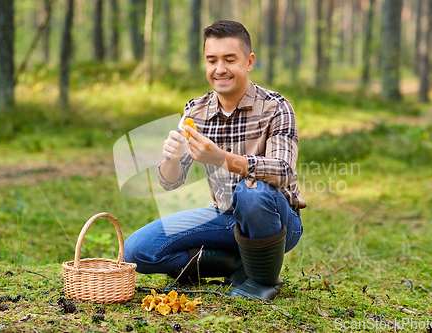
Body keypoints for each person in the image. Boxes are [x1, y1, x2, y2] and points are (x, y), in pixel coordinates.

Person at [124, 20, 306, 300]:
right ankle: (236, 264)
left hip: (278, 220)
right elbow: (171, 182)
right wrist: (171, 159)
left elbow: (283, 171)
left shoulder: (276, 107)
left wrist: (222, 159)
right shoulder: (195, 110)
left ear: (249, 62)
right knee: (137, 251)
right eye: (212, 60)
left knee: (251, 191)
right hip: (224, 215)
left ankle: (262, 281)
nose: (219, 69)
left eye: (229, 59)